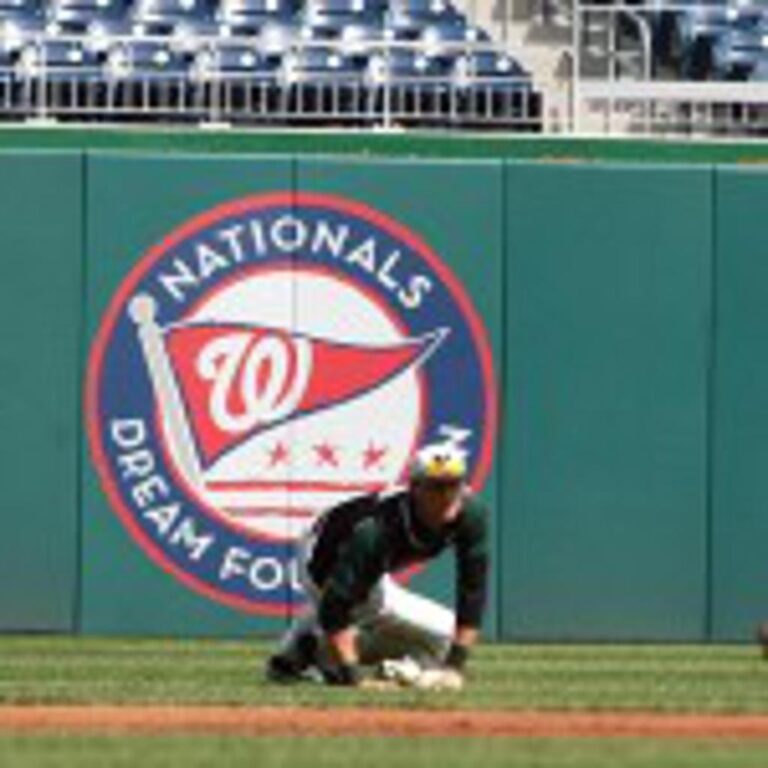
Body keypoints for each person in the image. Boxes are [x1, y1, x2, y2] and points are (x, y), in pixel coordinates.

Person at [265, 436, 489, 688]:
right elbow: (336, 605)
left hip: (370, 566)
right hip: (322, 552)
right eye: (436, 486)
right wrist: (352, 678)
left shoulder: (471, 513)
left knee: (448, 635)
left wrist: (455, 667)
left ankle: (316, 644)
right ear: (415, 488)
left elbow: (473, 589)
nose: (447, 495)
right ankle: (306, 654)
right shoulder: (375, 531)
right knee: (361, 612)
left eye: (454, 484)